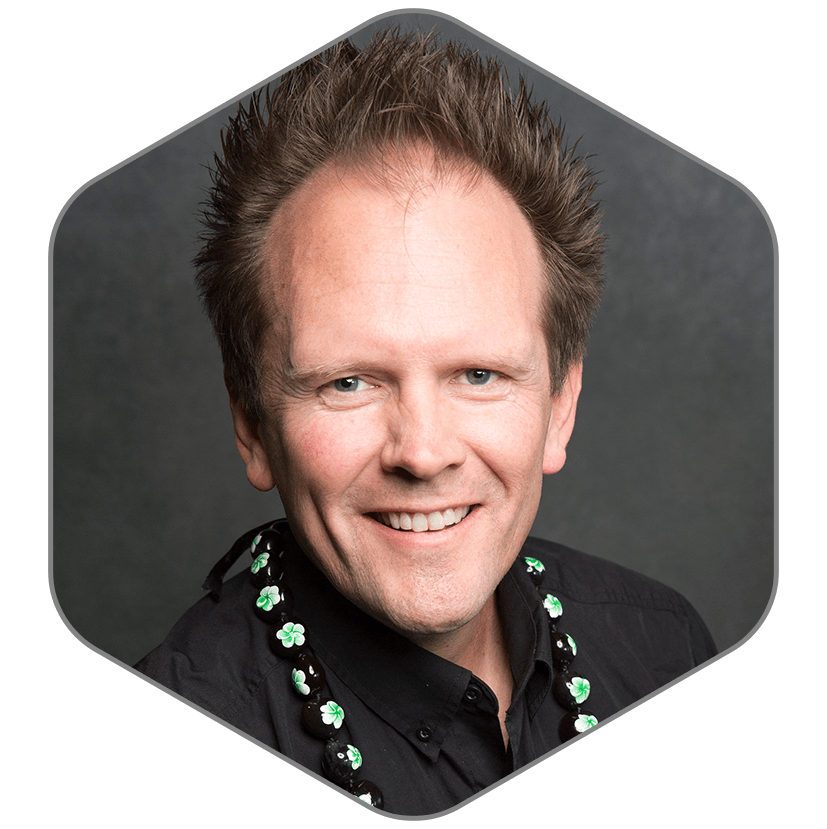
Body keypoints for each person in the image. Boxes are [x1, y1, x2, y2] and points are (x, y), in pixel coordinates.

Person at [136, 28, 716, 815]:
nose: (423, 451)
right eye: (347, 382)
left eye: (478, 374)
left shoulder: (668, 655)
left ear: (559, 405)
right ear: (250, 423)